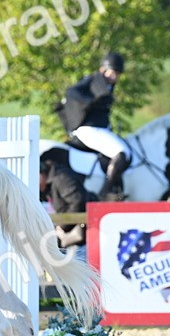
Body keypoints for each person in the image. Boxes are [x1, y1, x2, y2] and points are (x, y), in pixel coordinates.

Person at [56, 52, 131, 200]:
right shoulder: (93, 79)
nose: (115, 77)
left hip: (99, 129)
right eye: (112, 72)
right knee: (121, 153)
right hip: (89, 130)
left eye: (117, 74)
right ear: (103, 70)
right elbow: (71, 92)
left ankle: (116, 188)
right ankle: (106, 193)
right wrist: (88, 102)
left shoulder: (107, 86)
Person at [39, 158, 96, 247]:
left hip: (85, 232)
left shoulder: (61, 179)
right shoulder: (49, 184)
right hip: (73, 230)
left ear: (41, 174)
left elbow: (78, 202)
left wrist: (61, 227)